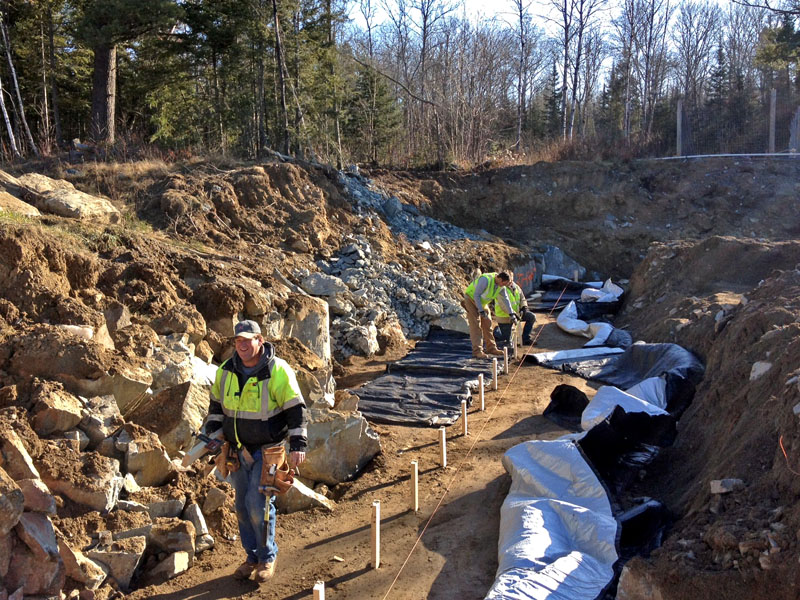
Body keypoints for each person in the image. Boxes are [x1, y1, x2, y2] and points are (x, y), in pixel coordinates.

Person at [203, 320, 308, 583]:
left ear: (260, 340)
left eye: (247, 340)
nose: (241, 345)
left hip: (268, 450)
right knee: (240, 505)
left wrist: (298, 445)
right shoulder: (226, 371)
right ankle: (251, 556)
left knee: (257, 504)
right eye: (238, 341)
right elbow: (216, 408)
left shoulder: (277, 370)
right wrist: (214, 437)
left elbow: (296, 410)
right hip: (237, 451)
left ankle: (266, 557)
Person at [462, 271, 516, 359]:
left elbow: (506, 299)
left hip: (482, 303)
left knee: (488, 324)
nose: (503, 286)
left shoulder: (501, 286)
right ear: (500, 279)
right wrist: (480, 310)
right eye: (503, 283)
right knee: (475, 325)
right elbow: (476, 295)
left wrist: (511, 314)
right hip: (471, 299)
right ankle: (477, 351)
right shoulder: (485, 280)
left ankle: (491, 348)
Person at [493, 276, 536, 347]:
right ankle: (497, 332)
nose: (510, 283)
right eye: (508, 282)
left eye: (511, 281)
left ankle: (525, 338)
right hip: (504, 317)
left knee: (531, 317)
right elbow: (503, 306)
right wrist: (512, 314)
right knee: (508, 342)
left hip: (517, 314)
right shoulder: (500, 290)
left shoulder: (515, 286)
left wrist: (524, 307)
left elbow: (522, 298)